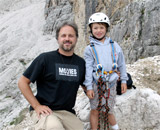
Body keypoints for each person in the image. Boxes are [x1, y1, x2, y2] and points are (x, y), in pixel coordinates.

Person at [18, 21, 85, 130]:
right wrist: (36, 106)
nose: (67, 39)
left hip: (67, 113)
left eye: (71, 36)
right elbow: (22, 82)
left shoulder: (81, 63)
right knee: (54, 127)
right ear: (58, 38)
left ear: (76, 38)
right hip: (45, 110)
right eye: (63, 35)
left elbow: (88, 88)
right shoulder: (45, 59)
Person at [83, 12, 128, 130]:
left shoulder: (115, 46)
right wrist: (89, 87)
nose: (99, 30)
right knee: (95, 109)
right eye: (95, 28)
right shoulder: (89, 49)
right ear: (91, 29)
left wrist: (123, 80)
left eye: (101, 27)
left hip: (111, 83)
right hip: (96, 83)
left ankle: (116, 128)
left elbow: (121, 64)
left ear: (106, 28)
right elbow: (88, 69)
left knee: (109, 109)